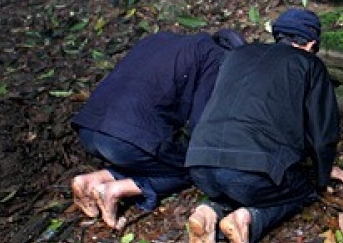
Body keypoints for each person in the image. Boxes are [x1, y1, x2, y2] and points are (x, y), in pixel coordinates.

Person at [185, 8, 343, 243]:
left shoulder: (236, 55)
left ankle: (208, 212)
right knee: (301, 188)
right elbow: (321, 133)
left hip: (199, 166)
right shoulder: (308, 63)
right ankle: (247, 219)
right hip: (250, 174)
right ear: (310, 43)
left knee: (239, 181)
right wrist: (322, 174)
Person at [70, 29, 247, 229]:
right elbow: (201, 124)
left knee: (151, 158)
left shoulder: (161, 39)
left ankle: (91, 181)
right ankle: (115, 190)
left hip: (88, 128)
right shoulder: (216, 58)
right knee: (194, 170)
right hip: (124, 140)